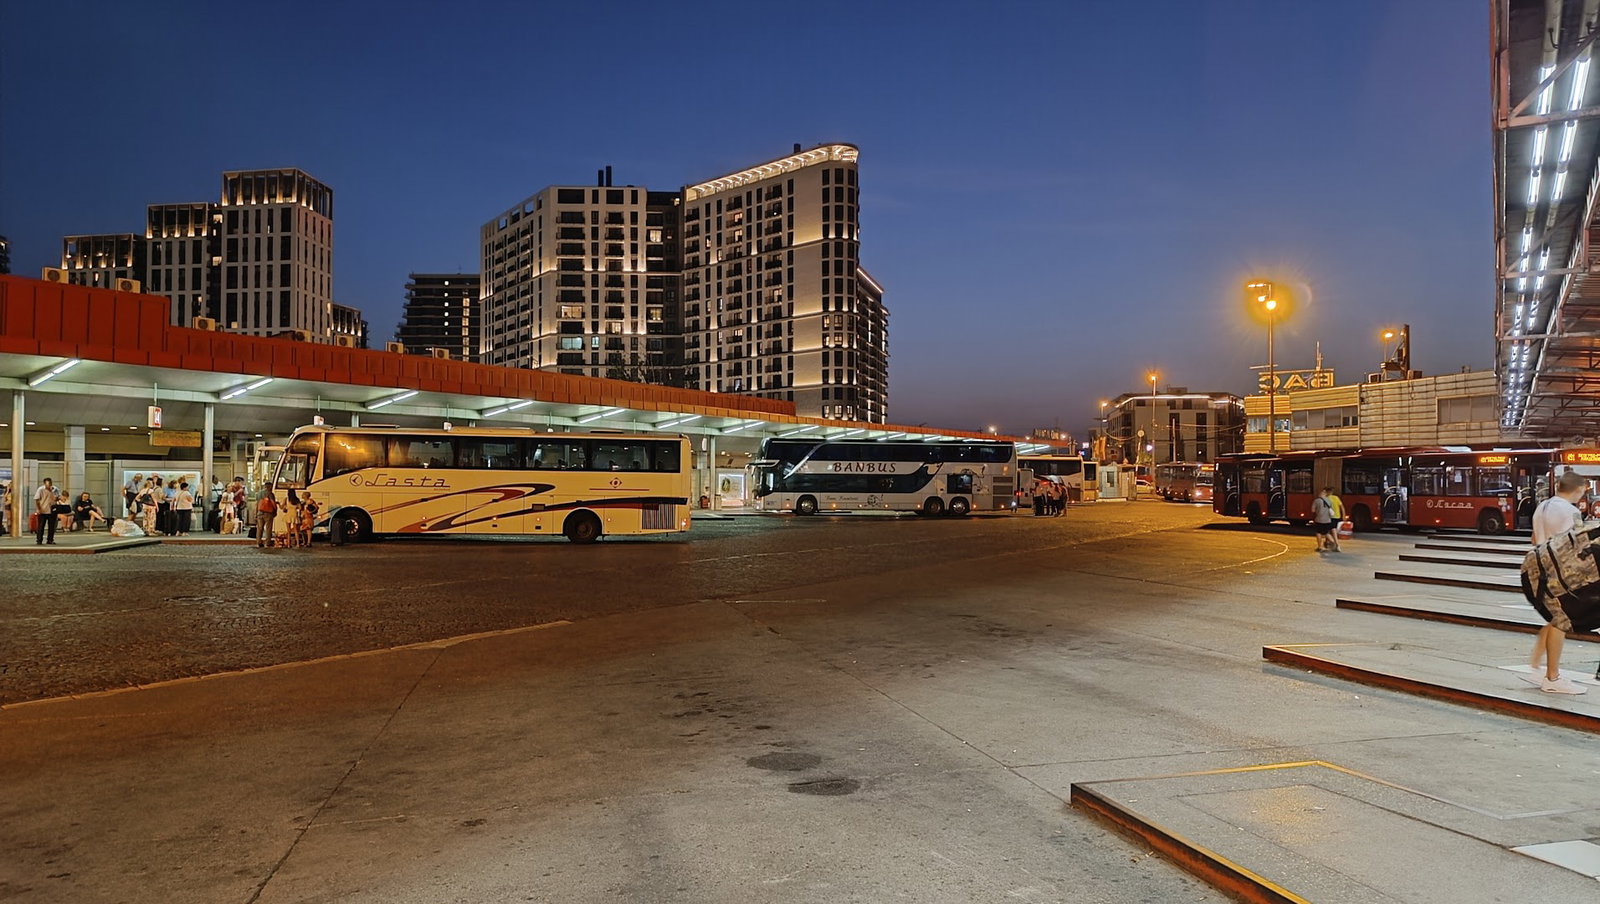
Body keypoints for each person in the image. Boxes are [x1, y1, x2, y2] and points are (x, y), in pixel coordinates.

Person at [1526, 470, 1591, 695]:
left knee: (1554, 617)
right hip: (1560, 571)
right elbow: (1579, 545)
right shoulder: (1572, 512)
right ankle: (1552, 678)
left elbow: (1534, 539)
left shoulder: (1541, 507)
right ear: (1580, 489)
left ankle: (1535, 664)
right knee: (1561, 620)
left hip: (1538, 567)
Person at [1311, 486, 1338, 552]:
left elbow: (1313, 510)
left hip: (1319, 519)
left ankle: (1320, 547)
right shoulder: (1329, 501)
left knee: (1318, 533)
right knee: (1326, 533)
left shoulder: (1316, 501)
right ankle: (1334, 544)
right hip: (1327, 520)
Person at [33, 477, 57, 545]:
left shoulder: (54, 489)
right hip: (43, 510)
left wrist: (52, 493)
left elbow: (58, 497)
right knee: (41, 526)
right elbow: (37, 499)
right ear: (44, 483)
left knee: (51, 526)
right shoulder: (40, 489)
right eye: (47, 484)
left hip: (52, 510)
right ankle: (39, 540)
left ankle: (50, 540)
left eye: (49, 484)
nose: (48, 485)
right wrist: (39, 509)